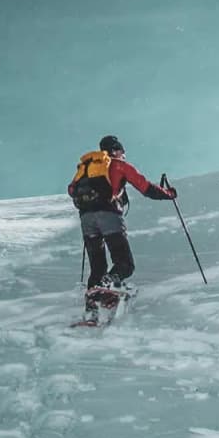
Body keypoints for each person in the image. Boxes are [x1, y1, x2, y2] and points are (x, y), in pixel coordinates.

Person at [68, 135, 176, 318]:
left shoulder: (85, 168)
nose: (124, 154)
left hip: (86, 220)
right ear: (116, 149)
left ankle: (92, 311)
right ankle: (108, 284)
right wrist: (168, 193)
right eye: (122, 151)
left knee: (97, 266)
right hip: (108, 216)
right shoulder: (118, 165)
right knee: (125, 264)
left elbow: (71, 190)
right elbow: (145, 188)